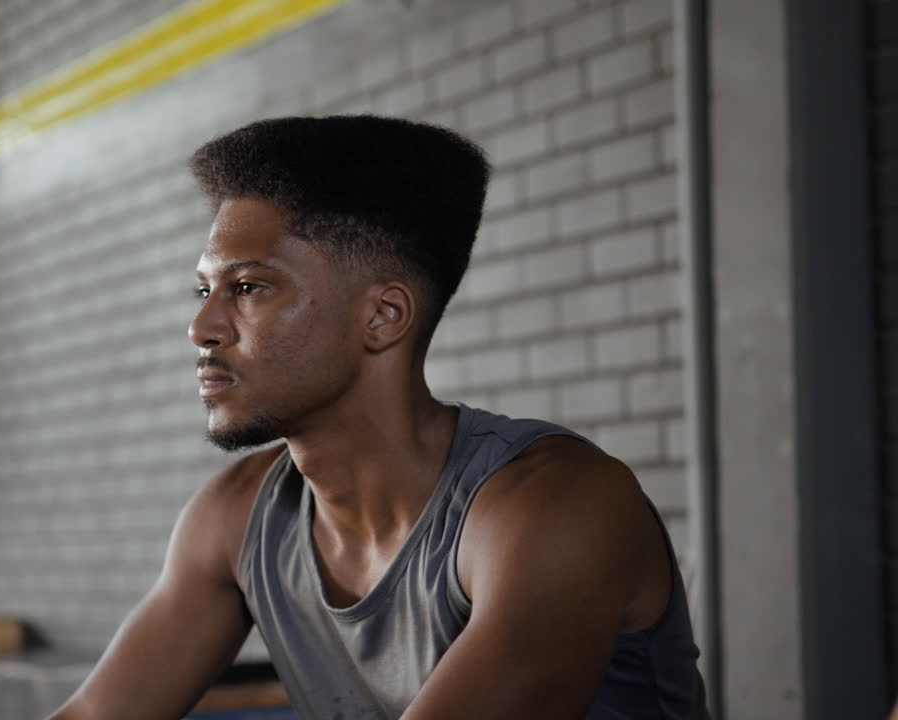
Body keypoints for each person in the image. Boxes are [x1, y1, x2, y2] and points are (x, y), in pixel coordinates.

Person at [48, 115, 710, 719]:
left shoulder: (555, 505)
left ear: (383, 317)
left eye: (248, 288)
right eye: (204, 290)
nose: (202, 326)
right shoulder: (232, 518)